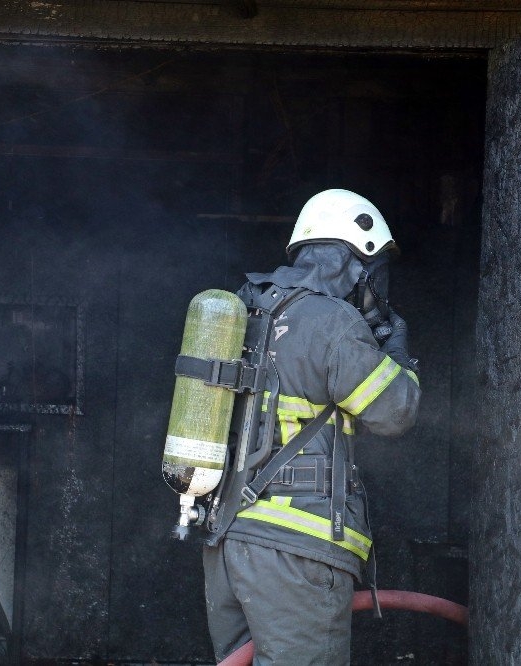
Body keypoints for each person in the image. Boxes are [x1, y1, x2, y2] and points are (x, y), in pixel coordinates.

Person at [202, 189, 422, 665]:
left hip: (228, 542)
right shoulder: (333, 322)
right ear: (357, 265)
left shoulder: (244, 308)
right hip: (296, 549)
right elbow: (394, 413)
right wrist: (399, 353)